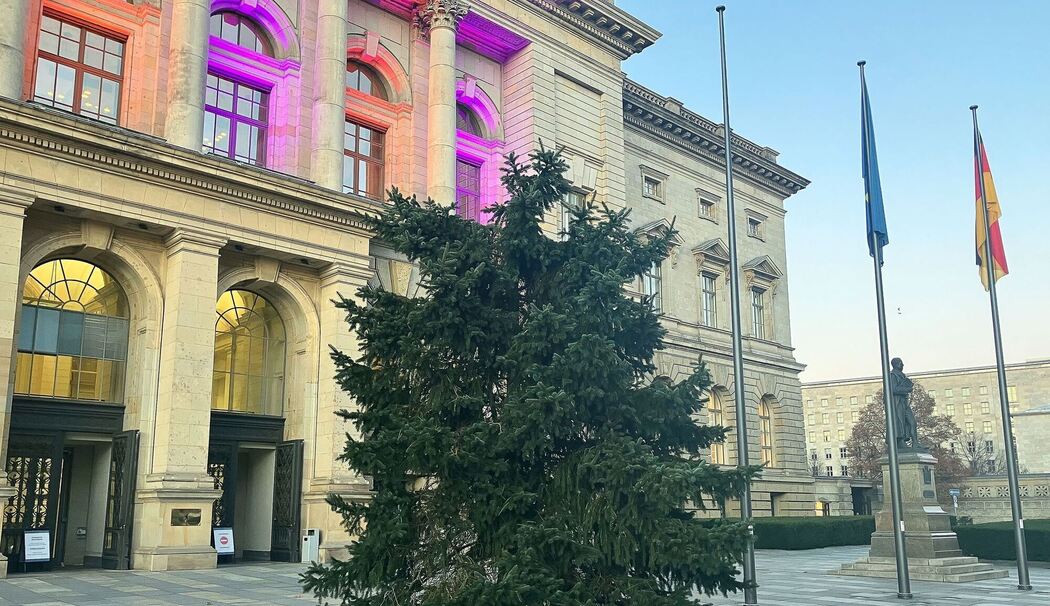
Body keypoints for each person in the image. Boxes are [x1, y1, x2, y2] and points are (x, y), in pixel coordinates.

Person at [889, 357, 920, 449]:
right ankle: (900, 442)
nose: (902, 365)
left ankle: (915, 443)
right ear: (896, 364)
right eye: (901, 363)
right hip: (897, 403)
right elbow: (893, 389)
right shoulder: (892, 376)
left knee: (912, 422)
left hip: (904, 403)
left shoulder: (901, 375)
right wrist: (907, 389)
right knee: (900, 423)